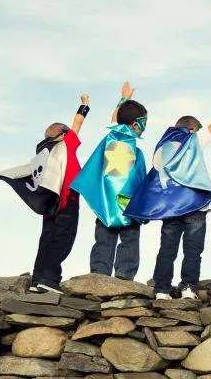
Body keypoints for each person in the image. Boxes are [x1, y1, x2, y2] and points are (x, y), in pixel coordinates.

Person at [125, 95, 211, 299]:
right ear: (193, 129)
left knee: (167, 249)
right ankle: (188, 288)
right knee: (193, 250)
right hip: (194, 204)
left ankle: (161, 289)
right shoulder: (193, 139)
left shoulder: (162, 146)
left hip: (169, 207)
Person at [0, 94, 90, 293]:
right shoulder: (65, 143)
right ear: (63, 133)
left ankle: (37, 279)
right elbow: (78, 123)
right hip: (67, 201)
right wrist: (84, 106)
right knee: (63, 240)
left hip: (49, 207)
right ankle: (49, 280)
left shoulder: (42, 153)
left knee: (46, 241)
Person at [71, 82, 147, 281]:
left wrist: (124, 100)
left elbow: (115, 119)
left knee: (104, 236)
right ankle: (124, 274)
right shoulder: (134, 149)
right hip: (128, 201)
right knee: (130, 238)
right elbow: (138, 178)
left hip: (106, 199)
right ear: (135, 124)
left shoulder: (111, 138)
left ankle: (99, 273)